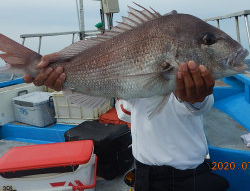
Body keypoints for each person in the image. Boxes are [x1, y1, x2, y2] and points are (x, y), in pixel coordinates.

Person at [23, 54, 229, 191]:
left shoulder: (197, 87)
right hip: (145, 175)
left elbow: (199, 102)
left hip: (189, 177)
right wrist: (69, 73)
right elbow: (126, 113)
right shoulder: (132, 86)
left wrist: (194, 98)